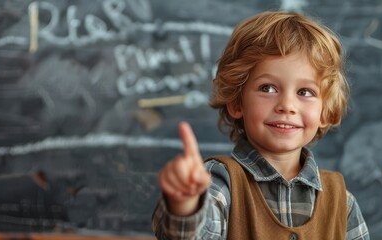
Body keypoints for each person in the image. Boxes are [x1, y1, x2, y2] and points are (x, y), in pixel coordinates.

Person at [151, 11, 370, 239]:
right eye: (268, 88)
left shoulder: (343, 203)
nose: (287, 105)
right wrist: (185, 206)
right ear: (237, 103)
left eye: (305, 92)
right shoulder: (218, 183)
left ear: (325, 112)